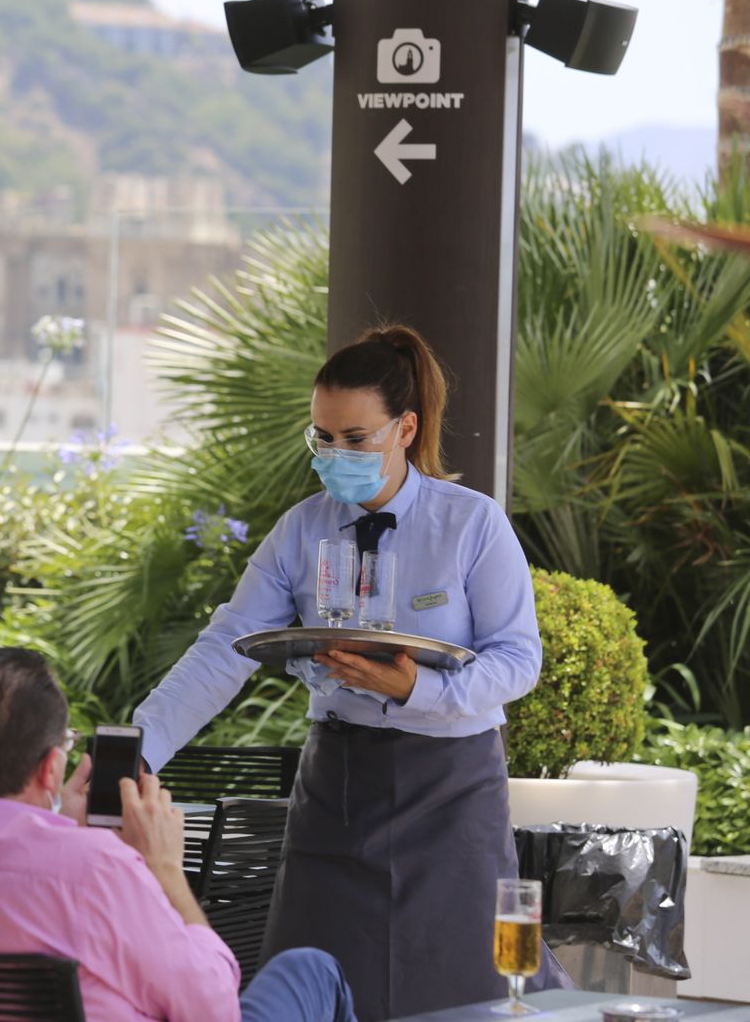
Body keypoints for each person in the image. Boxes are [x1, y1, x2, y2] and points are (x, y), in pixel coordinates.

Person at [132, 324, 568, 1019]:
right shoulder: (301, 531)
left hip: (452, 794)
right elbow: (226, 649)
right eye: (322, 438)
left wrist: (417, 689)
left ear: (405, 428)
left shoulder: (471, 525)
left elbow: (519, 660)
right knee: (308, 987)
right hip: (336, 787)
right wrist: (136, 751)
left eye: (355, 438)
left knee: (463, 997)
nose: (336, 454)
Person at [0, 648, 357, 1022]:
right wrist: (164, 872)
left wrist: (62, 832)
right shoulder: (96, 871)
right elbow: (213, 1011)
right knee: (311, 970)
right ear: (52, 768)